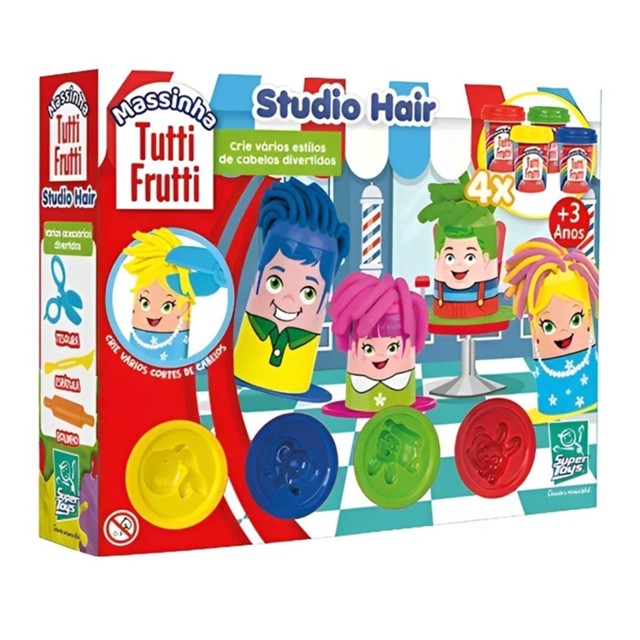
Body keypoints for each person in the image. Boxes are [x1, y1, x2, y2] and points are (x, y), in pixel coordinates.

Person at [234, 178, 350, 396]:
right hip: (242, 366)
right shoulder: (256, 324)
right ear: (259, 276)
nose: (288, 300)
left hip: (295, 380)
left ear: (326, 296)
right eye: (275, 282)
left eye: (309, 293)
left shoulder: (304, 338)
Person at [504, 237, 599, 415]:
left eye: (576, 320)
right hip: (550, 402)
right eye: (548, 327)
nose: (564, 332)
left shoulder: (575, 277)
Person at [329, 272, 428, 412]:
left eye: (392, 348)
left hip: (401, 402)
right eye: (368, 349)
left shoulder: (406, 309)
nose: (380, 357)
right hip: (360, 401)